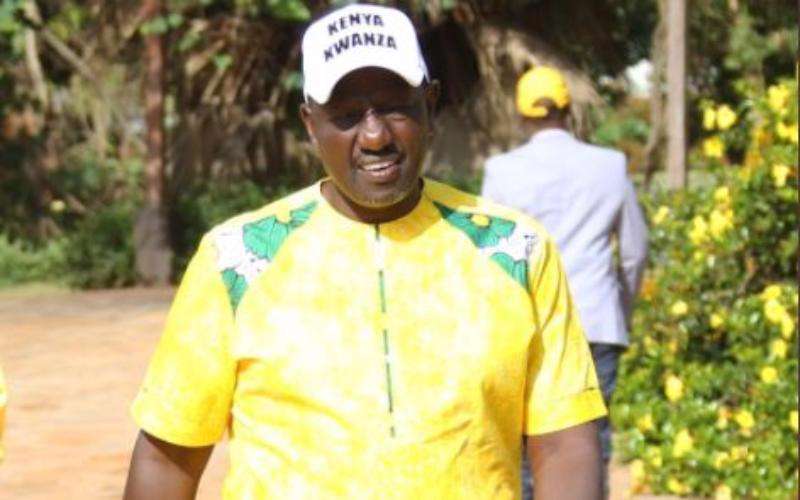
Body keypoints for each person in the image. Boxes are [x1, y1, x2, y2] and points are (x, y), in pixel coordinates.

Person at [123, 5, 606, 499]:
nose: (375, 137)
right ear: (310, 124)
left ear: (430, 105)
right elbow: (167, 458)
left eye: (395, 107)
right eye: (347, 116)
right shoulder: (237, 260)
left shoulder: (515, 250)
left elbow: (564, 442)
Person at [481, 65, 649, 499]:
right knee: (592, 446)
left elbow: (487, 261)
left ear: (522, 116)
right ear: (568, 110)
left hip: (528, 327)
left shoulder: (501, 172)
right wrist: (620, 312)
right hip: (596, 323)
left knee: (527, 449)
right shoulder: (610, 165)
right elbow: (634, 252)